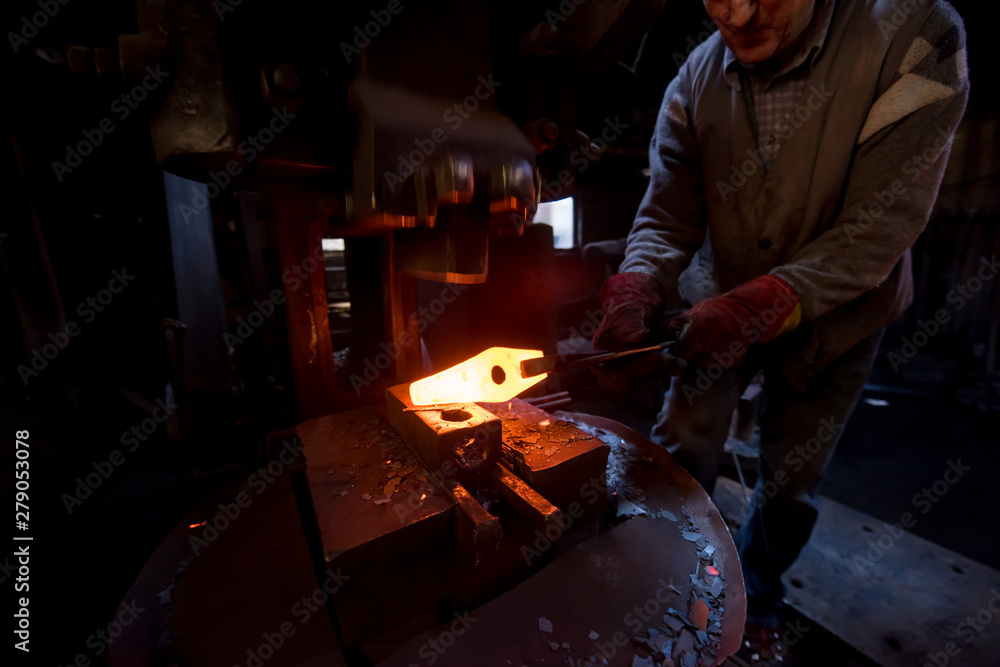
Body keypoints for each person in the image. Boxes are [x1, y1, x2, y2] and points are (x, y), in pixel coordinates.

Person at [593, 0, 968, 661]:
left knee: (791, 479)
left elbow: (881, 224)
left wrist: (761, 305)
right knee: (681, 446)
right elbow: (665, 218)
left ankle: (758, 595)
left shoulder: (920, 37)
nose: (736, 12)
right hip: (714, 299)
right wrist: (638, 285)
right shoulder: (693, 82)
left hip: (841, 311)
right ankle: (668, 582)